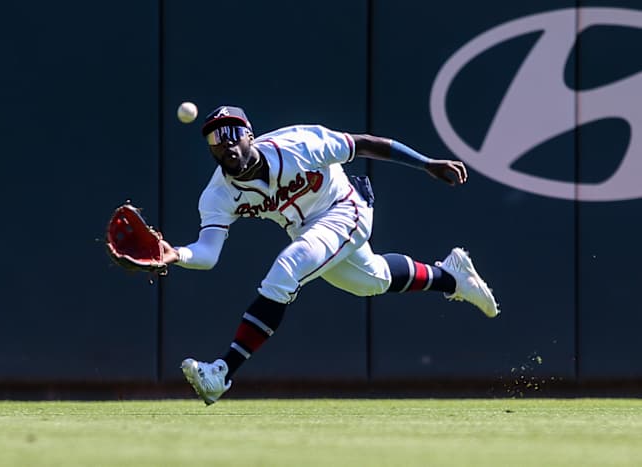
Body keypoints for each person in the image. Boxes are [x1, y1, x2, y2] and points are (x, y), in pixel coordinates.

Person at [161, 105, 500, 405]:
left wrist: (427, 164)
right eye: (215, 140)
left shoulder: (298, 144)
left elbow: (363, 144)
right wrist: (175, 254)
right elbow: (207, 253)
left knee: (287, 268)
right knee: (372, 280)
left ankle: (222, 371)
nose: (226, 143)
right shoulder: (218, 194)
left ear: (250, 135)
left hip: (345, 208)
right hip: (305, 230)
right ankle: (453, 277)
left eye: (233, 133)